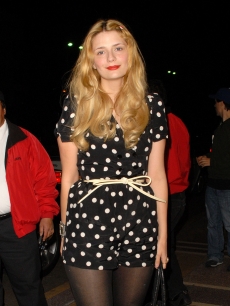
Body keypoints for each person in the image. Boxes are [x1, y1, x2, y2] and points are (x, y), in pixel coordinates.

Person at [55, 19, 168, 306]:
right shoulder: (77, 105)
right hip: (88, 220)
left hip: (140, 220)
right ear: (91, 61)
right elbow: (69, 177)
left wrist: (162, 235)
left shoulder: (151, 104)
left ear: (130, 53)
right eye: (101, 51)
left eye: (118, 48)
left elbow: (156, 174)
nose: (111, 58)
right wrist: (66, 231)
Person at [0, 90, 60, 306]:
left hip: (17, 227)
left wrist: (47, 215)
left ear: (4, 109)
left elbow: (44, 180)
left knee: (28, 288)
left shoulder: (24, 139)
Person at [148, 80, 192, 305]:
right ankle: (177, 293)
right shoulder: (178, 122)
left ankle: (159, 295)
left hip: (166, 195)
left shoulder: (159, 124)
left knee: (154, 249)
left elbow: (163, 169)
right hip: (179, 194)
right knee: (167, 248)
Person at [197, 88, 230, 271]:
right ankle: (215, 255)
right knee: (213, 223)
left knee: (229, 224)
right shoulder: (219, 128)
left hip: (227, 185)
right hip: (214, 183)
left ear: (223, 103)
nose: (214, 105)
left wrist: (212, 161)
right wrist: (206, 159)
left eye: (216, 101)